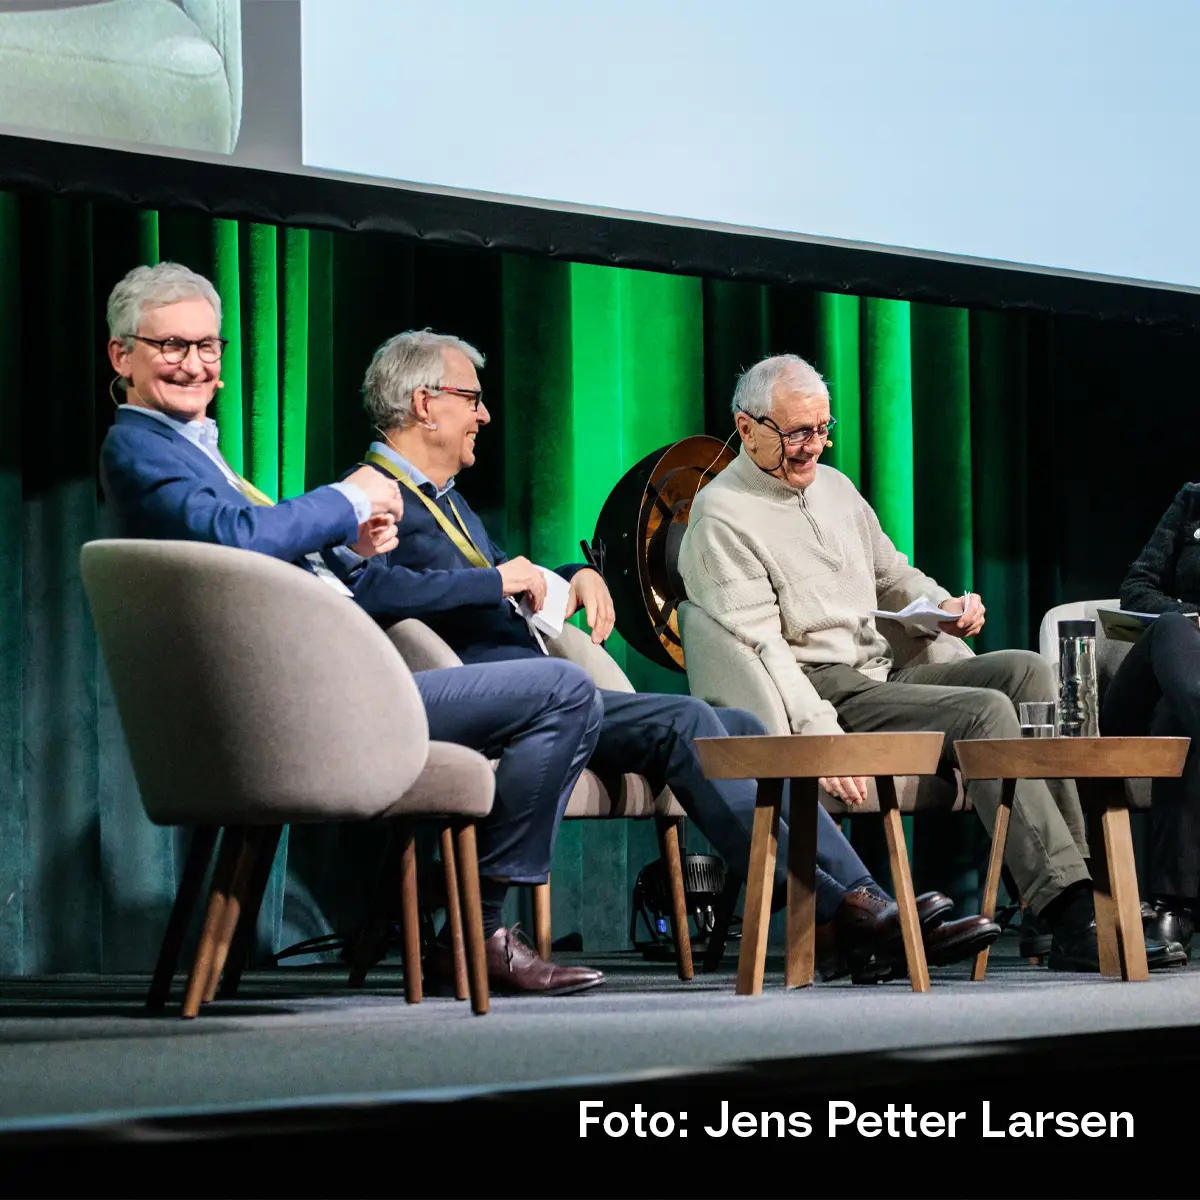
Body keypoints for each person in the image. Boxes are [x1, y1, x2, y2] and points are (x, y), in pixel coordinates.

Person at [343, 328, 1000, 983]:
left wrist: (577, 572)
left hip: (546, 696)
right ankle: (838, 908)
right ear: (426, 403)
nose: (484, 414)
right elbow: (365, 590)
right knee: (687, 722)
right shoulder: (368, 492)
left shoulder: (444, 500)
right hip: (491, 699)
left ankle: (864, 905)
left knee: (744, 733)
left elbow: (506, 577)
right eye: (472, 398)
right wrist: (497, 580)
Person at [98, 262, 607, 997]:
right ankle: (477, 926)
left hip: (336, 685)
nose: (195, 364)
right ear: (124, 356)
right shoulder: (141, 447)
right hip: (301, 709)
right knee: (562, 690)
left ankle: (454, 910)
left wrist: (344, 549)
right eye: (173, 346)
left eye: (209, 347)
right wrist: (348, 497)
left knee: (572, 695)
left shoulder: (188, 448)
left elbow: (256, 545)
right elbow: (232, 535)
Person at [677, 352, 1185, 973]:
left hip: (880, 672)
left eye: (823, 429)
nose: (814, 447)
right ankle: (1071, 909)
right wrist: (817, 732)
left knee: (1026, 672)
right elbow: (760, 646)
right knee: (984, 711)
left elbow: (892, 575)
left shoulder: (834, 487)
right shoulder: (722, 514)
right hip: (823, 690)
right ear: (748, 426)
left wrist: (944, 603)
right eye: (798, 433)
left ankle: (1064, 907)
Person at [1102, 482, 1200, 958]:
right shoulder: (1193, 499)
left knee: (1177, 719)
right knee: (1174, 628)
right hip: (1148, 681)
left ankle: (1173, 908)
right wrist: (1192, 616)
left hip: (1175, 709)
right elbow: (1137, 588)